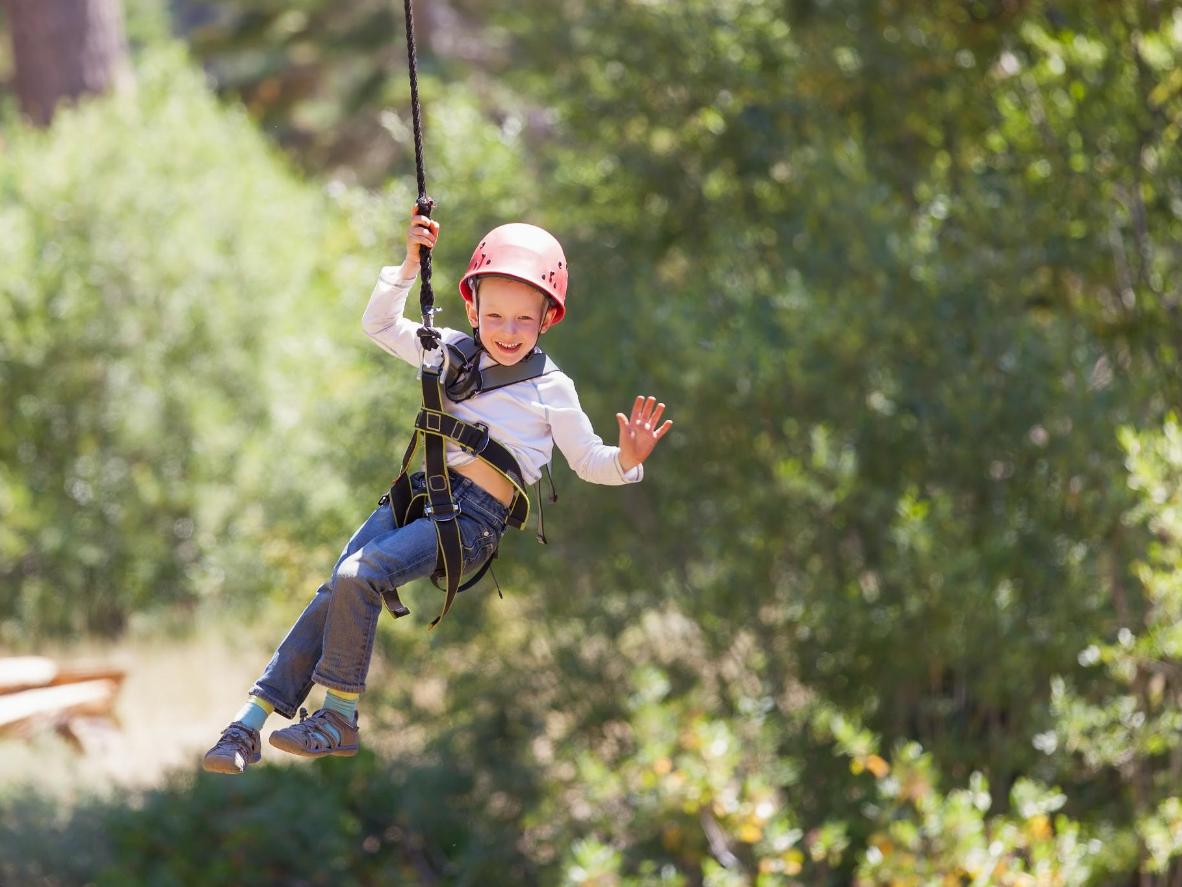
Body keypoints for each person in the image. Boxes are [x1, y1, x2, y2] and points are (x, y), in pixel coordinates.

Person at [202, 210, 672, 773]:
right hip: (417, 496)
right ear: (471, 309)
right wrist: (409, 265)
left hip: (470, 522)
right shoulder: (446, 350)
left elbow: (590, 461)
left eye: (525, 319)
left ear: (548, 319)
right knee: (336, 591)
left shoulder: (553, 389)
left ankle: (340, 716)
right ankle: (248, 724)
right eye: (495, 314)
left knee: (359, 576)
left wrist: (628, 460)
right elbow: (379, 325)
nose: (508, 330)